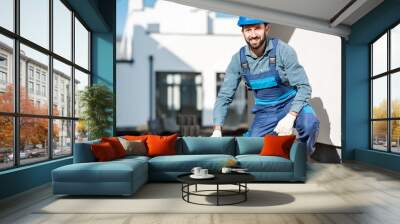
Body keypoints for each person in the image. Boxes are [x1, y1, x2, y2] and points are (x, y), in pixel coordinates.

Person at [211, 16, 320, 156]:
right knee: (251, 150)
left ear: (267, 28)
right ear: (243, 32)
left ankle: (302, 160)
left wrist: (291, 116)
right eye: (248, 30)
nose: (253, 34)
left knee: (309, 123)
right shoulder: (238, 59)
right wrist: (217, 129)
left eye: (257, 28)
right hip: (265, 111)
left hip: (290, 103)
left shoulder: (283, 51)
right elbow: (224, 96)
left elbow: (304, 87)